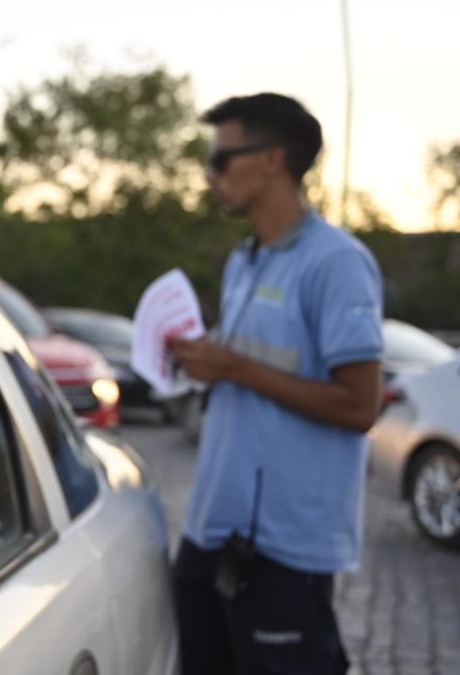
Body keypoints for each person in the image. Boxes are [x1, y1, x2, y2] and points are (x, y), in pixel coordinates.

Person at [170, 93, 383, 675]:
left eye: (221, 159)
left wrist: (236, 369)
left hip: (283, 551)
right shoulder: (243, 261)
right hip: (209, 532)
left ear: (272, 159)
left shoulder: (336, 262)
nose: (210, 176)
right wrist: (194, 361)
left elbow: (362, 406)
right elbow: (240, 369)